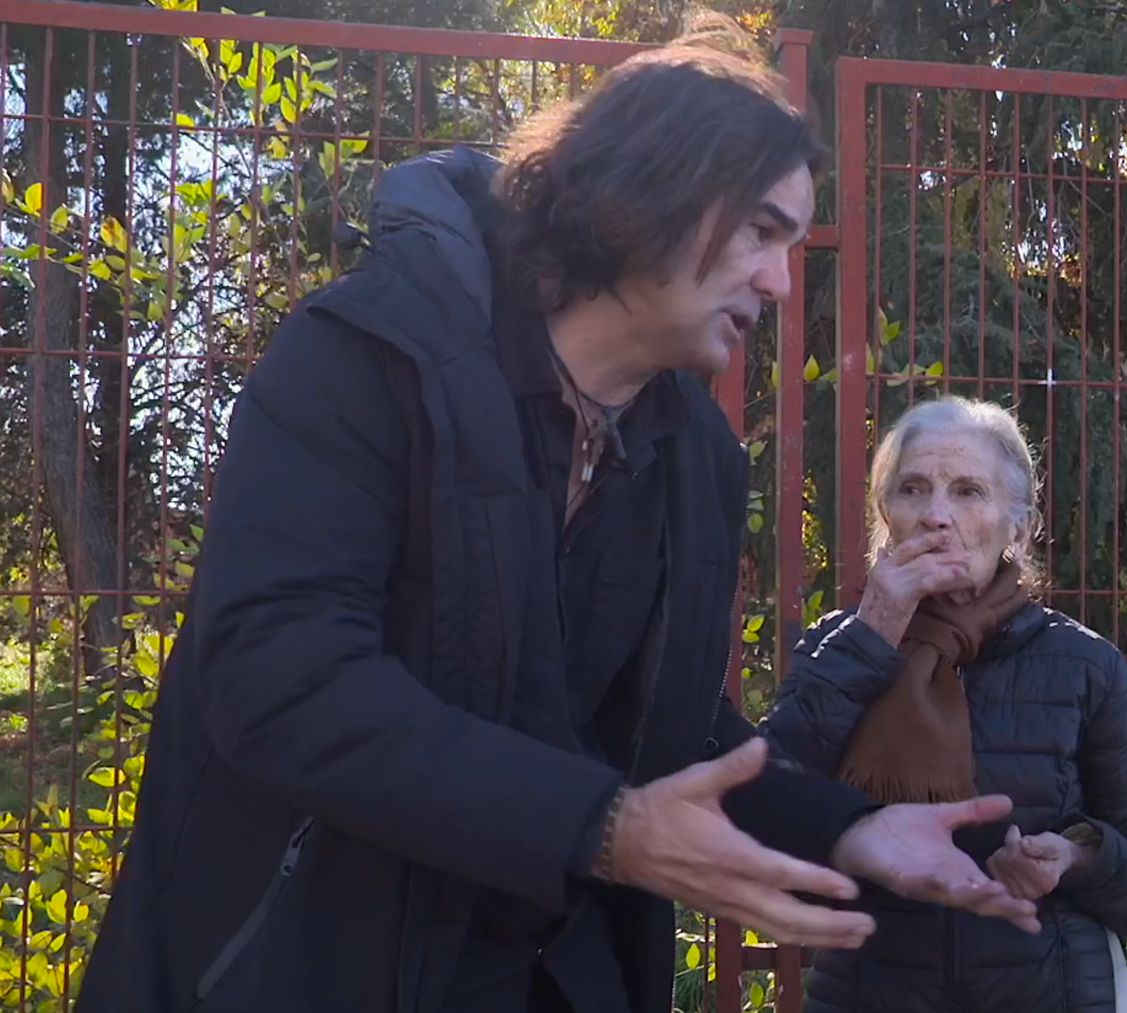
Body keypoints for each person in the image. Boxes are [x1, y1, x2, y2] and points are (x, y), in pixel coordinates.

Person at [77, 20, 1038, 1013]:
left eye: (792, 243)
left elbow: (668, 733)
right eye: (761, 228)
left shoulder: (695, 458)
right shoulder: (366, 358)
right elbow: (281, 677)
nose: (780, 283)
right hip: (303, 962)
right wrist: (603, 826)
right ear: (658, 187)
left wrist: (844, 825)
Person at [762, 396, 1127, 1013]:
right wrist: (873, 635)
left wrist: (1079, 856)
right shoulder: (841, 646)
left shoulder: (1084, 666)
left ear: (1019, 525)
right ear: (885, 515)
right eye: (913, 490)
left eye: (969, 492)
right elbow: (769, 796)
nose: (936, 516)